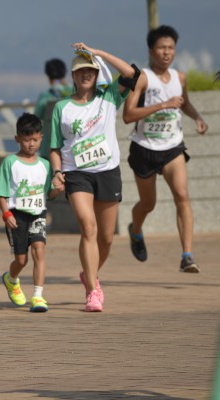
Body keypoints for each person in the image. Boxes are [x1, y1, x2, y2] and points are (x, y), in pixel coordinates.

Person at [50, 43, 138, 312]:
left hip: (107, 171)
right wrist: (57, 172)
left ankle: (90, 272)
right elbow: (54, 146)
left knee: (107, 238)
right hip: (76, 173)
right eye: (80, 71)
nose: (85, 74)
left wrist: (98, 54)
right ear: (74, 76)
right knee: (88, 228)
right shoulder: (61, 107)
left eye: (90, 70)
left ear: (96, 73)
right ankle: (92, 290)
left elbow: (132, 74)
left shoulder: (109, 96)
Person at [122, 25, 208, 273]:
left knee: (182, 195)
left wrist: (197, 117)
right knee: (148, 204)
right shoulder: (143, 78)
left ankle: (187, 256)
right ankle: (135, 230)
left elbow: (185, 103)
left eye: (171, 48)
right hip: (144, 149)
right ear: (151, 51)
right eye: (162, 48)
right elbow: (128, 116)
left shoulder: (180, 78)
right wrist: (162, 105)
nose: (167, 52)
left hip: (172, 147)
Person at [0, 113, 61, 312]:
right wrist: (6, 214)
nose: (31, 144)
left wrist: (57, 190)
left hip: (38, 214)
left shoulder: (45, 165)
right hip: (17, 215)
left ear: (41, 137)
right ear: (17, 139)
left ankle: (38, 296)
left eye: (34, 139)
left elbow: (48, 194)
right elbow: (1, 192)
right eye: (26, 139)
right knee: (21, 259)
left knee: (39, 251)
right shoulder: (10, 163)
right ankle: (11, 279)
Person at [34, 58, 74, 160]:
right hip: (71, 147)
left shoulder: (46, 96)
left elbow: (35, 118)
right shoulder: (74, 93)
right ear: (64, 72)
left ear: (48, 75)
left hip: (48, 147)